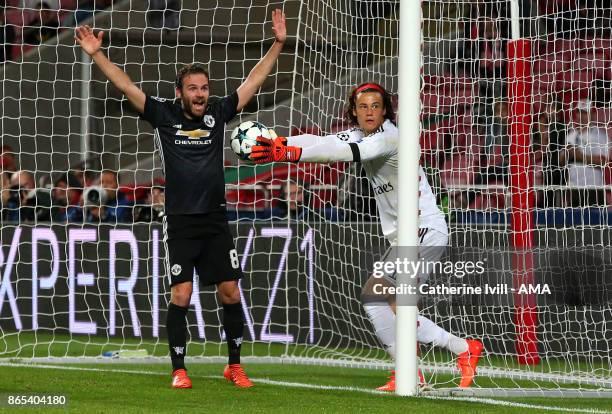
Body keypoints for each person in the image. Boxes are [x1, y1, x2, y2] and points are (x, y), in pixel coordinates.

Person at [75, 9, 286, 389]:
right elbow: (127, 87)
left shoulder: (219, 113)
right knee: (182, 293)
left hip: (215, 218)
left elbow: (252, 82)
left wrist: (277, 44)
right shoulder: (164, 114)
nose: (201, 94)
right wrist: (96, 54)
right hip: (181, 220)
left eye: (204, 87)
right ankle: (179, 369)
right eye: (193, 88)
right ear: (180, 92)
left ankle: (234, 365)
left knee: (229, 290)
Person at [250, 82, 483, 391]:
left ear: (385, 110)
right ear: (354, 112)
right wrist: (280, 141)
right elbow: (323, 142)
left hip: (424, 227)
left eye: (376, 105)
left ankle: (451, 355)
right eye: (363, 106)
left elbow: (350, 153)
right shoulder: (362, 134)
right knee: (376, 299)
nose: (370, 111)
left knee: (397, 302)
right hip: (405, 235)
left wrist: (289, 153)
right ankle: (451, 354)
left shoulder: (389, 136)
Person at [562, 98, 609, 206]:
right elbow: (561, 163)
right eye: (579, 112)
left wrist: (579, 156)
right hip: (573, 188)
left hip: (593, 189)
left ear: (591, 114)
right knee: (572, 222)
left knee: (595, 222)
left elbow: (603, 162)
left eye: (584, 112)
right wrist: (566, 154)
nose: (581, 116)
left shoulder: (600, 135)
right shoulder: (570, 134)